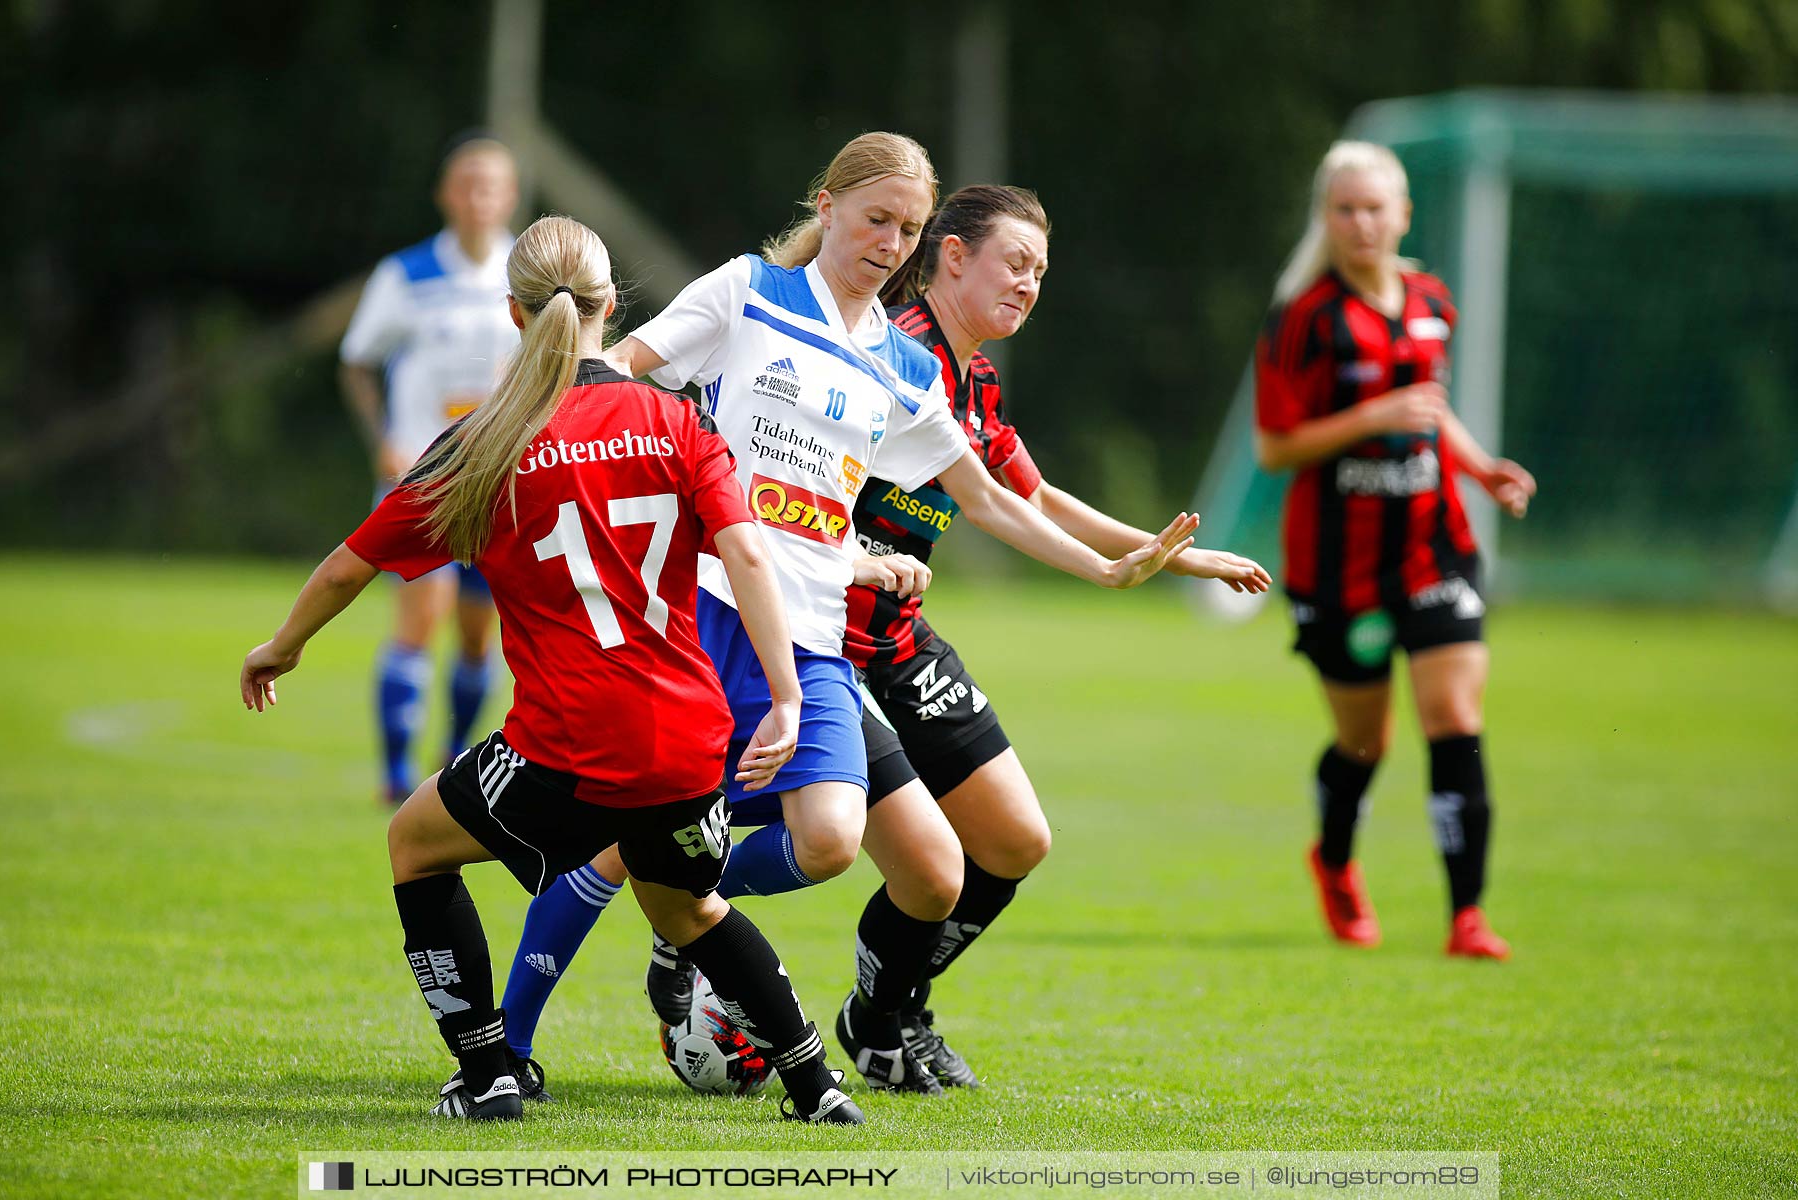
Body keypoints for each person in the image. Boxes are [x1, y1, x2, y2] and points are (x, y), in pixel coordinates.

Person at [495, 134, 1200, 1090]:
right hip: (704, 616)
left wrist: (1107, 570)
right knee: (625, 844)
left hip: (815, 639)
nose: (890, 241)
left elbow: (989, 498)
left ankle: (680, 909)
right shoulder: (747, 291)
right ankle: (510, 1046)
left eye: (907, 229)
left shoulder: (903, 365)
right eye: (876, 219)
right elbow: (611, 377)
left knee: (826, 842)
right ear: (826, 206)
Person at [242, 215, 865, 1125]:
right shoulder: (675, 417)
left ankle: (489, 1072)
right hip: (689, 742)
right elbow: (750, 557)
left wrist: (283, 644)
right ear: (612, 306)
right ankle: (817, 1089)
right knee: (688, 908)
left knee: (414, 847)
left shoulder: (483, 442)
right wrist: (781, 695)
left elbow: (349, 565)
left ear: (512, 311)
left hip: (565, 748)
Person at [828, 183, 1273, 1090]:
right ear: (952, 255)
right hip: (821, 645)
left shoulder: (975, 377)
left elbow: (1032, 495)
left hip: (899, 641)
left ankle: (883, 1011)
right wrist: (1111, 570)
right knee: (905, 860)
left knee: (1014, 841)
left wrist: (1170, 557)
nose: (1030, 284)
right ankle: (704, 960)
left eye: (1040, 271)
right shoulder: (886, 358)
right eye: (1015, 263)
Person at [1252, 141, 1537, 960]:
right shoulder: (1302, 317)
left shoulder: (1430, 300)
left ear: (1403, 215)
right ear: (1326, 217)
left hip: (1433, 547)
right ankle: (1334, 859)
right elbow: (1275, 447)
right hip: (1338, 566)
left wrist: (1482, 470)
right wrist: (1370, 421)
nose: (1361, 223)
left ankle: (1467, 917)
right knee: (1365, 743)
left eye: (1376, 208)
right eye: (1345, 209)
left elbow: (1429, 407)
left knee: (1455, 719)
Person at [338, 134, 520, 803]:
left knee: (479, 636)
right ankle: (392, 774)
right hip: (422, 475)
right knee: (420, 618)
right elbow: (357, 360)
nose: (478, 198)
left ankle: (450, 758)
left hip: (497, 482)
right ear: (446, 194)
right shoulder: (405, 276)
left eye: (491, 185)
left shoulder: (525, 275)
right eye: (466, 184)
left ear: (510, 196)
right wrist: (384, 437)